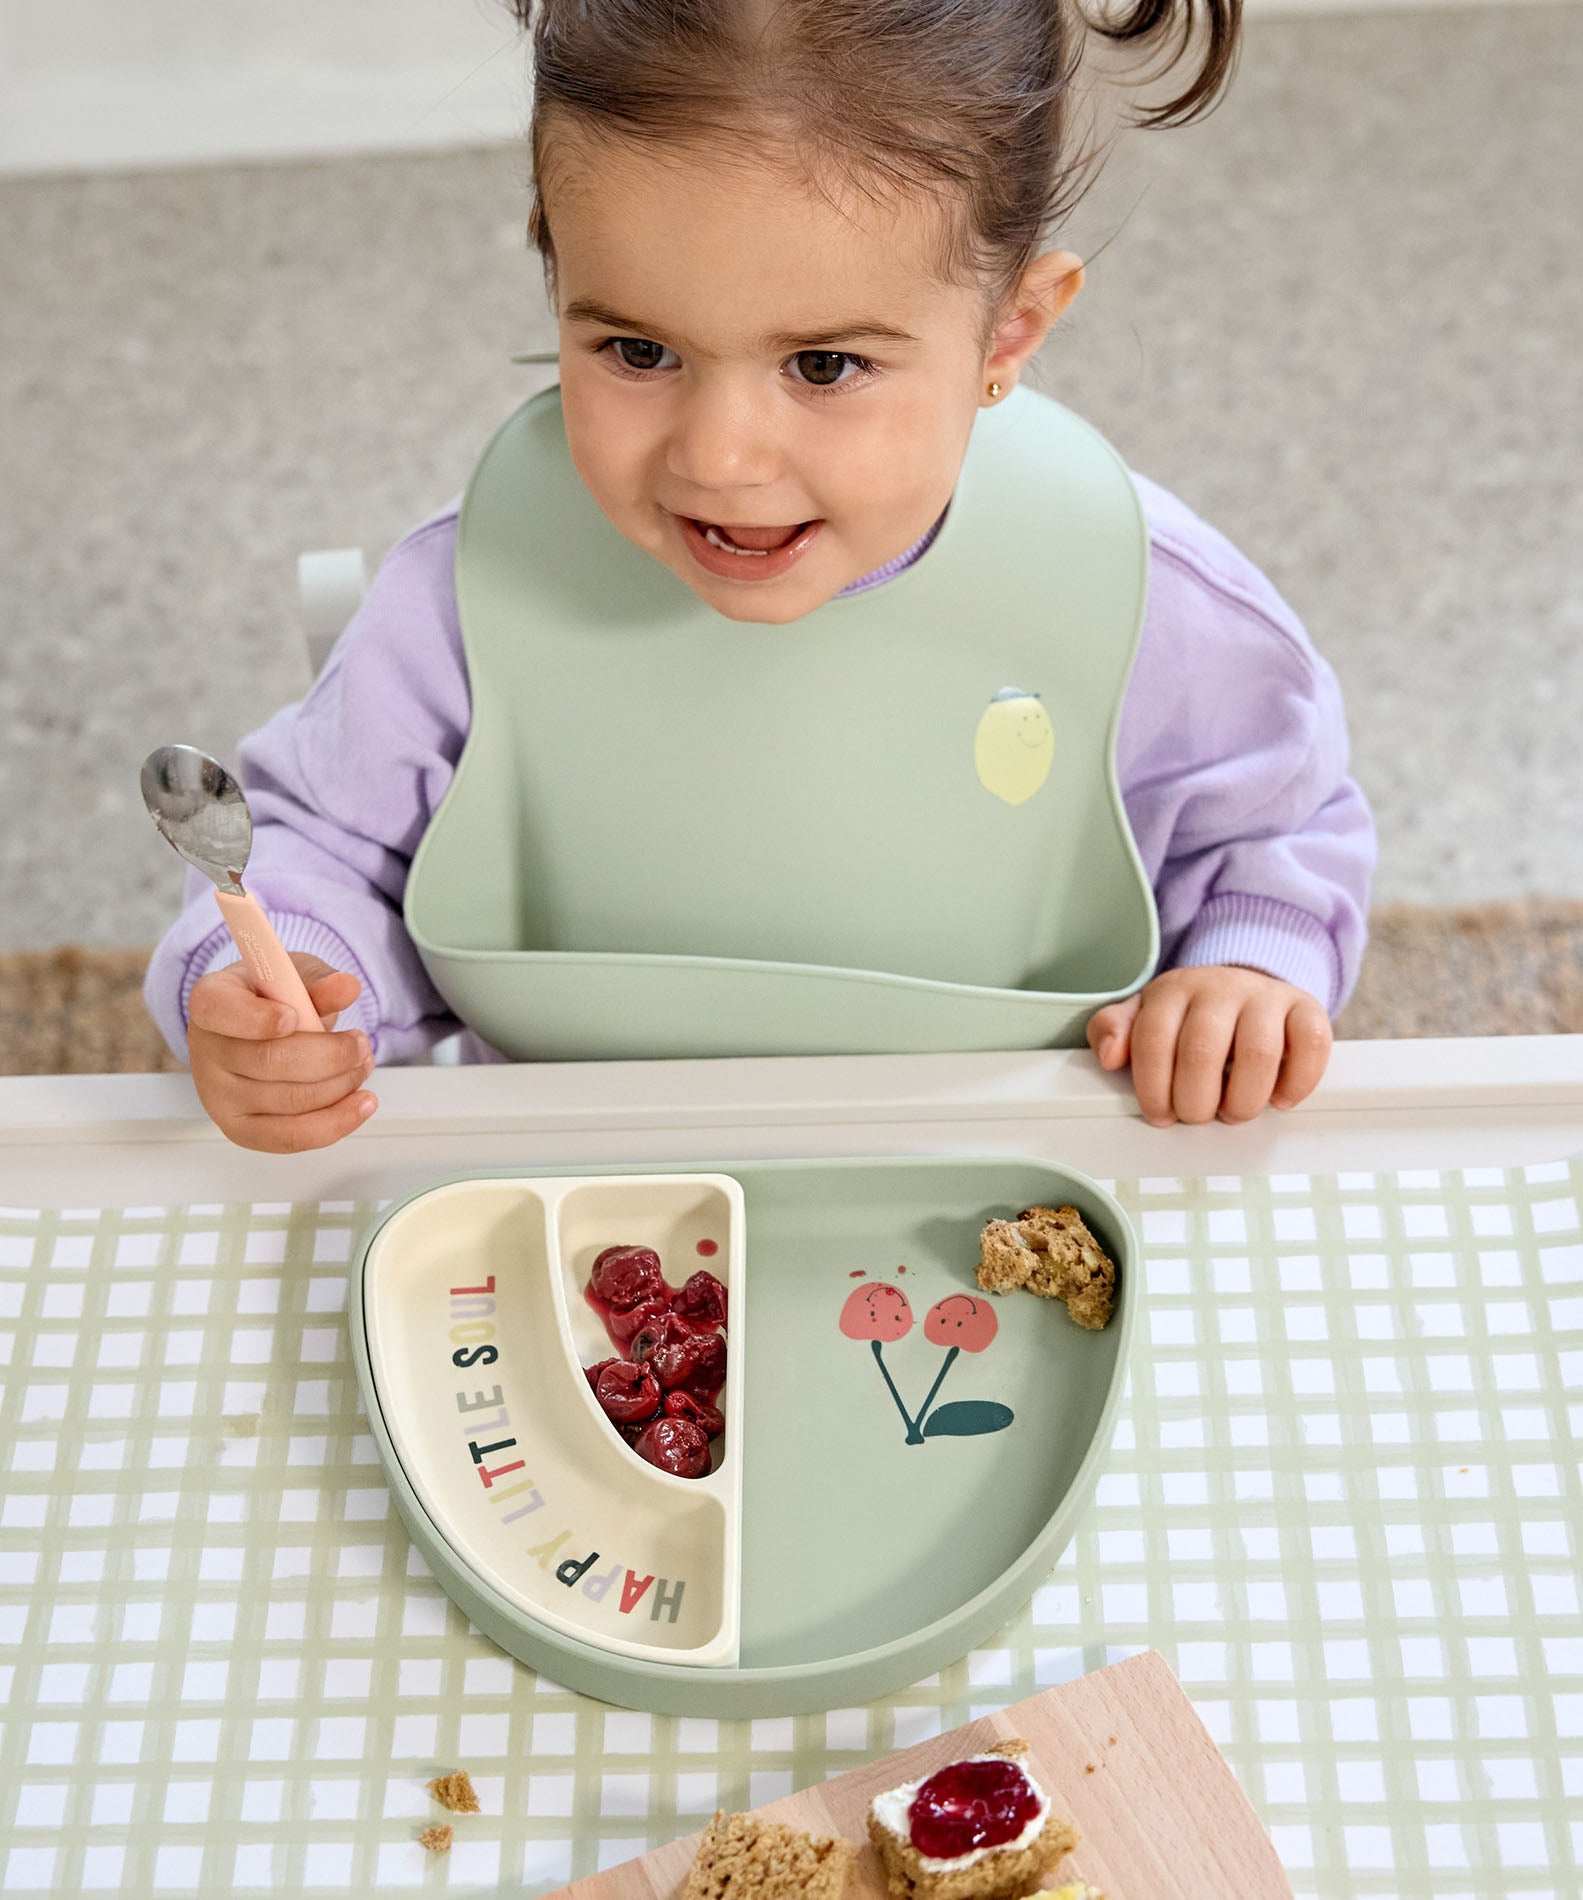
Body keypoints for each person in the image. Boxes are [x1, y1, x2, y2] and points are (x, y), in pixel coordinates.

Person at [145, 0, 1374, 1154]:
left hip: (1004, 1169)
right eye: (638, 349)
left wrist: (1245, 973)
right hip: (585, 1176)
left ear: (1009, 329)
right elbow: (322, 849)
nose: (718, 459)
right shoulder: (460, 600)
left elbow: (1272, 831)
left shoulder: (1142, 601)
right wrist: (280, 981)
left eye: (824, 365)